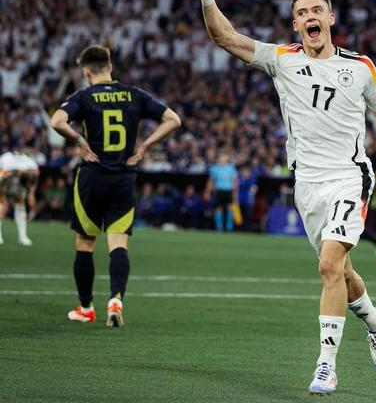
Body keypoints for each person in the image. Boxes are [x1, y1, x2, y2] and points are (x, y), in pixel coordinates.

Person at [197, 0, 376, 395]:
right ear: (295, 24)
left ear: (330, 18)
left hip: (349, 177)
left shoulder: (361, 67)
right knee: (342, 271)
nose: (310, 17)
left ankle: (326, 365)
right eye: (302, 13)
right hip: (307, 184)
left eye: (317, 10)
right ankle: (374, 321)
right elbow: (225, 37)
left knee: (328, 265)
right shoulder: (281, 59)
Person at [50, 45, 181, 327]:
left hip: (92, 176)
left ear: (86, 72)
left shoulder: (84, 96)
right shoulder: (134, 95)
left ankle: (86, 308)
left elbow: (57, 121)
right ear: (110, 66)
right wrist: (145, 146)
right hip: (124, 177)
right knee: (118, 242)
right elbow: (174, 120)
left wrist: (79, 141)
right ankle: (115, 300)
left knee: (85, 243)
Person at [0, 146, 39, 245]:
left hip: (15, 180)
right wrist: (2, 198)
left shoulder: (30, 164)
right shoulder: (6, 161)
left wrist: (31, 194)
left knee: (20, 205)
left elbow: (34, 178)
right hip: (3, 179)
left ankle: (22, 236)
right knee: (2, 207)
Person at [207, 153, 238, 231]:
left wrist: (235, 192)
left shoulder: (231, 168)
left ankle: (229, 227)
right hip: (219, 190)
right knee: (218, 208)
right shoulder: (214, 168)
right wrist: (208, 191)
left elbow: (234, 181)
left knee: (230, 208)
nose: (222, 159)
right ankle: (219, 227)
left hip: (228, 190)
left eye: (224, 157)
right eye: (221, 157)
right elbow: (211, 181)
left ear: (227, 159)